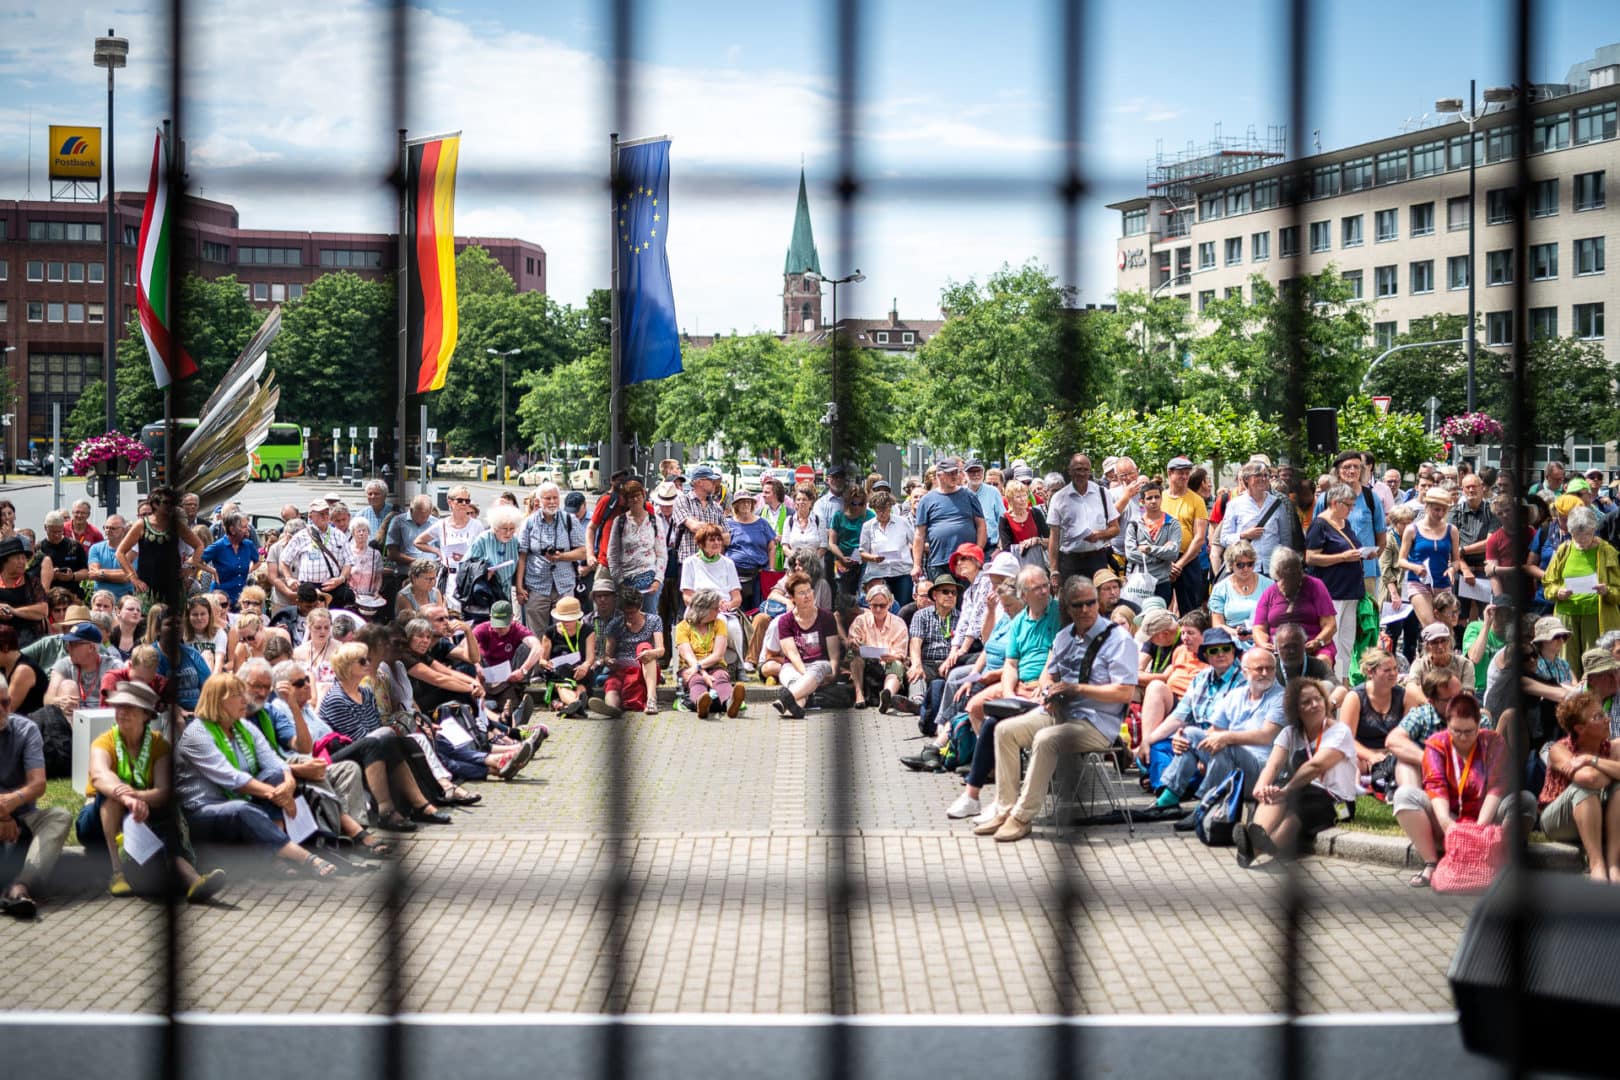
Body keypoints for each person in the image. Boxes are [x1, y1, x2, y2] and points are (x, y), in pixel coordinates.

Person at [974, 578, 1139, 843]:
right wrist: (1049, 691)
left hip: (1097, 722)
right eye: (1078, 605)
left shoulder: (1118, 640)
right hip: (1060, 713)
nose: (1085, 609)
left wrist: (1077, 690)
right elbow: (1047, 675)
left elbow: (1124, 693)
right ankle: (1004, 808)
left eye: (1091, 603)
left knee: (1046, 740)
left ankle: (1022, 817)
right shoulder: (1064, 637)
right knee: (1004, 730)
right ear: (1067, 608)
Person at [175, 673, 340, 878]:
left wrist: (287, 785)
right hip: (204, 812)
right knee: (243, 808)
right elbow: (232, 778)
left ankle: (275, 859)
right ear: (217, 700)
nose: (245, 700)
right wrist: (275, 794)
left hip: (241, 800)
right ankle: (306, 858)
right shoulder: (196, 733)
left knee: (274, 775)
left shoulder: (242, 726)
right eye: (237, 695)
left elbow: (275, 762)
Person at [1393, 691, 1536, 888]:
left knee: (1525, 801)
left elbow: (1496, 787)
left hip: (1485, 819)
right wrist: (1447, 823)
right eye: (1456, 731)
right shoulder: (1436, 744)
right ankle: (1431, 863)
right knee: (1405, 796)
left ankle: (1498, 861)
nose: (1462, 737)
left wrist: (1477, 832)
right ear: (1448, 724)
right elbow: (1436, 786)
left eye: (1468, 732)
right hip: (1448, 818)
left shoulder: (1494, 742)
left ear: (1479, 725)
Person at [1236, 677, 1360, 867]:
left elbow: (1315, 766)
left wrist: (1287, 790)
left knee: (1299, 806)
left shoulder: (1339, 731)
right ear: (1295, 709)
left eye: (1318, 699)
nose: (1315, 705)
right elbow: (1273, 764)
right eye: (1306, 702)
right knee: (1274, 792)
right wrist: (1261, 788)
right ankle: (1257, 835)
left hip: (1337, 802)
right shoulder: (1289, 733)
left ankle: (1256, 849)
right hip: (1301, 790)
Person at [1154, 644, 1285, 808]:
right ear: (1245, 672)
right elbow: (1215, 730)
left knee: (1226, 746)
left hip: (1262, 771)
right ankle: (1168, 799)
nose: (1265, 673)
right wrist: (1191, 743)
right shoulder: (1236, 695)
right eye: (1259, 669)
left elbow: (1266, 735)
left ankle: (1204, 806)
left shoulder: (1281, 697)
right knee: (1190, 734)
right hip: (1232, 762)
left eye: (1270, 669)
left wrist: (1226, 738)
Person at [1136, 625, 1244, 791]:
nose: (1221, 653)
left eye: (1225, 649)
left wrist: (1202, 751)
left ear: (1233, 651)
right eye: (1214, 651)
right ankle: (1166, 785)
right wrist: (1146, 741)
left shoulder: (1242, 682)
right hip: (1193, 741)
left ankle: (1166, 783)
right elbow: (1178, 717)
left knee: (1182, 758)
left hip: (1223, 746)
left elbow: (1235, 727)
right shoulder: (1201, 678)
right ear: (1206, 655)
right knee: (1155, 746)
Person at [0, 673, 70, 918]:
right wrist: (3, 818)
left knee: (60, 816)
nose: (2, 709)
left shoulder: (26, 729)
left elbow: (38, 784)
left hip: (24, 816)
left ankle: (20, 887)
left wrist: (10, 804)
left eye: (5, 702)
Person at [1539, 691, 1620, 881]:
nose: (1607, 720)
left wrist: (1589, 760)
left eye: (1604, 714)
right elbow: (1589, 779)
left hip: (1597, 815)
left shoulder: (1615, 747)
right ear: (1580, 728)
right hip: (1559, 821)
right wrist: (1613, 770)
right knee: (1583, 789)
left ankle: (1614, 864)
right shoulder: (1559, 749)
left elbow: (1593, 775)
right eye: (1598, 717)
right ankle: (1596, 864)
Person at [1542, 505, 1620, 680]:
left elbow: (1618, 590)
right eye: (1577, 535)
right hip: (1566, 616)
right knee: (1567, 666)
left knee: (1595, 665)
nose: (1582, 539)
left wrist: (1607, 591)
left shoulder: (1607, 551)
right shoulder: (1564, 550)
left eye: (1586, 534)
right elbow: (1548, 583)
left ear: (1594, 530)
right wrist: (1557, 592)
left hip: (1596, 617)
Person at [1307, 483, 1371, 680]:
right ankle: (1330, 682)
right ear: (1335, 503)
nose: (1351, 509)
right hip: (1331, 591)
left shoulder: (1345, 523)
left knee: (1346, 643)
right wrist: (1342, 557)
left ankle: (1344, 683)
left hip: (1351, 591)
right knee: (1332, 641)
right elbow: (1310, 558)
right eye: (1348, 505)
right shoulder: (1319, 525)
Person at [1314, 451, 1388, 600]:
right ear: (1338, 471)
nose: (1352, 471)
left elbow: (1381, 538)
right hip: (1333, 573)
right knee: (1335, 620)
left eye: (1356, 467)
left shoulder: (1371, 498)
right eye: (1347, 467)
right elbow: (1315, 535)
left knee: (1367, 620)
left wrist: (1372, 558)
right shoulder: (1325, 498)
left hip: (1366, 574)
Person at [516, 483, 588, 637]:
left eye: (555, 498)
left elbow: (583, 552)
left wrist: (561, 556)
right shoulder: (529, 523)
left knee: (565, 633)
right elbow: (522, 556)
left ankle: (565, 661)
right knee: (536, 634)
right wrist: (519, 586)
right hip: (536, 585)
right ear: (539, 501)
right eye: (547, 498)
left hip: (564, 585)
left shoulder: (569, 520)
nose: (552, 502)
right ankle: (539, 660)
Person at [1252, 547, 1338, 667]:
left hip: (1311, 644)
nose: (1293, 575)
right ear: (1277, 573)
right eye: (1287, 572)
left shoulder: (1315, 585)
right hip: (1278, 647)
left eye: (1296, 570)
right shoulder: (1269, 593)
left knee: (1321, 662)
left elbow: (1330, 624)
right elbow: (1258, 628)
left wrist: (1318, 641)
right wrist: (1263, 644)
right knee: (1255, 661)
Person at [772, 572, 842, 718]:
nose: (807, 596)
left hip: (820, 665)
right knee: (796, 682)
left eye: (809, 591)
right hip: (794, 666)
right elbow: (792, 654)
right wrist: (806, 676)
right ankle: (796, 707)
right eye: (801, 593)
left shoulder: (827, 617)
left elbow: (834, 653)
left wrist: (834, 672)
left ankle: (784, 699)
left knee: (820, 667)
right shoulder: (785, 621)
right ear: (792, 598)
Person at [912, 456, 986, 583]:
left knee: (966, 600)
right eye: (950, 473)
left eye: (956, 472)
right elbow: (919, 535)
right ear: (939, 476)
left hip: (965, 560)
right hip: (938, 561)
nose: (954, 476)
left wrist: (977, 552)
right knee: (943, 599)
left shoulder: (969, 495)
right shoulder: (926, 500)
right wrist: (916, 565)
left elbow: (981, 525)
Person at [594, 587, 666, 718]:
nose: (630, 616)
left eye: (633, 612)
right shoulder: (615, 624)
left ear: (640, 607)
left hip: (645, 668)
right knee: (612, 685)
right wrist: (609, 661)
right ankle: (612, 708)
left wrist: (650, 653)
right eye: (626, 613)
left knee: (644, 647)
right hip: (622, 669)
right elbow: (606, 655)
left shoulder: (654, 620)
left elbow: (661, 650)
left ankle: (651, 699)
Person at [1046, 453, 1118, 581]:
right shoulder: (1059, 498)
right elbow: (1054, 538)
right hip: (1070, 561)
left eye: (1085, 470)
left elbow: (1115, 529)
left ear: (1090, 472)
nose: (1082, 473)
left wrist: (1098, 535)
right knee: (1073, 599)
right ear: (1070, 472)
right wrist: (1054, 570)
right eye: (1078, 469)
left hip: (1097, 559)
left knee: (1099, 599)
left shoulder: (1102, 494)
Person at [1338, 647, 1409, 775]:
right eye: (1387, 670)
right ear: (1371, 672)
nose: (1393, 673)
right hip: (1362, 756)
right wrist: (1370, 756)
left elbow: (1407, 735)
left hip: (1393, 754)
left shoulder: (1402, 695)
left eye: (1395, 668)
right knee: (1347, 763)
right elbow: (1347, 739)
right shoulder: (1355, 697)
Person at [605, 480, 669, 614]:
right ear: (626, 500)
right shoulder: (620, 521)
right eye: (631, 497)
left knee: (650, 620)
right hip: (627, 580)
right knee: (627, 621)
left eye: (637, 495)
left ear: (643, 495)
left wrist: (658, 580)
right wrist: (620, 582)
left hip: (650, 579)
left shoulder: (654, 520)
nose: (635, 499)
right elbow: (612, 554)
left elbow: (662, 554)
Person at [674, 589, 738, 719]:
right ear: (704, 610)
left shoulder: (719, 624)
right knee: (696, 680)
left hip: (714, 665)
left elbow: (718, 655)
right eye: (715, 608)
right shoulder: (682, 627)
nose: (719, 611)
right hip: (690, 667)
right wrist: (703, 673)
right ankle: (701, 703)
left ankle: (730, 703)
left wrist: (701, 669)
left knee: (720, 676)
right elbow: (689, 657)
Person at [907, 573, 961, 723]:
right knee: (916, 672)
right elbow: (915, 642)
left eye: (954, 593)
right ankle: (917, 703)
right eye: (945, 592)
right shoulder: (921, 615)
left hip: (950, 663)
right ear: (935, 595)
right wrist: (916, 664)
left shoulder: (962, 617)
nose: (950, 595)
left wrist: (950, 661)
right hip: (928, 662)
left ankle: (943, 707)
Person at [1218, 461, 1288, 575]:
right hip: (1245, 568)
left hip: (1273, 568)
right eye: (1258, 475)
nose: (1263, 479)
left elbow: (1286, 539)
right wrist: (1244, 535)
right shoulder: (1235, 504)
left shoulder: (1277, 504)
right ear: (1246, 479)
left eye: (1266, 475)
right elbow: (1224, 539)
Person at [848, 582, 909, 710]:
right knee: (855, 657)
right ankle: (859, 695)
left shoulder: (899, 623)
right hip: (867, 663)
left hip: (889, 662)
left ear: (890, 604)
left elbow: (901, 654)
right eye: (874, 605)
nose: (878, 610)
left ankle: (887, 695)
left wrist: (892, 657)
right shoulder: (860, 620)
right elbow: (852, 644)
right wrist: (854, 643)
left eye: (882, 606)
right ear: (869, 604)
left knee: (897, 665)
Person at [1160, 456, 1210, 613]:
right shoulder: (1159, 498)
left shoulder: (1196, 500)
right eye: (1180, 473)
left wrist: (1179, 564)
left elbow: (1199, 537)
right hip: (1161, 560)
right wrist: (1167, 563)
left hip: (1188, 561)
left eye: (1187, 473)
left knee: (1191, 610)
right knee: (1159, 607)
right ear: (1169, 473)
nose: (1184, 477)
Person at [1122, 480, 1181, 606]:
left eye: (1157, 497)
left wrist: (1149, 549)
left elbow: (1173, 554)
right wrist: (1161, 555)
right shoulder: (1134, 525)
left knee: (1159, 619)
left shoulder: (1172, 523)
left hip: (1162, 582)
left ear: (1161, 498)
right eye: (1149, 498)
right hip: (1139, 582)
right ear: (1142, 501)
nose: (1154, 501)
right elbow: (1131, 554)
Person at [858, 490, 916, 607]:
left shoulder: (903, 523)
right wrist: (873, 558)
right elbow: (862, 551)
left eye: (885, 509)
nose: (882, 513)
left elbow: (915, 543)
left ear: (890, 507)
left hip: (902, 572)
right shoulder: (868, 526)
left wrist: (916, 565)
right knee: (881, 606)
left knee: (903, 606)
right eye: (878, 510)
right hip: (879, 573)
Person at [1208, 539, 1272, 644]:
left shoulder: (1269, 585)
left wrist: (1257, 633)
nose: (1246, 568)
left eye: (1250, 564)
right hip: (1233, 639)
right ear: (1231, 565)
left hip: (1263, 638)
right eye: (1240, 565)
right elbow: (1217, 625)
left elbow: (1276, 618)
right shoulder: (1220, 588)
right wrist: (1235, 633)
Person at [726, 489, 778, 610]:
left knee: (757, 609)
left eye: (748, 502)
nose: (746, 504)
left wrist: (771, 569)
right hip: (735, 574)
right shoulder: (728, 523)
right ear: (736, 505)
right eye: (742, 502)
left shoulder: (762, 523)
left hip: (758, 574)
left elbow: (771, 547)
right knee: (736, 610)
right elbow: (722, 548)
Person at [1405, 622, 1477, 701]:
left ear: (1450, 642)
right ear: (1427, 646)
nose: (1440, 646)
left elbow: (1467, 693)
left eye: (1443, 641)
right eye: (1434, 642)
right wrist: (1429, 705)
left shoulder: (1464, 664)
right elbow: (1411, 686)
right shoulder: (1420, 664)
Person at [201, 512, 261, 608]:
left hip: (242, 598)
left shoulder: (248, 545)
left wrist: (249, 570)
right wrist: (212, 571)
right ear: (232, 530)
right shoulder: (218, 546)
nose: (248, 529)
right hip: (221, 600)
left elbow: (257, 561)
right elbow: (194, 560)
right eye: (244, 527)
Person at [0, 537, 47, 649]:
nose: (22, 562)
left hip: (28, 639)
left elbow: (43, 610)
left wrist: (14, 611)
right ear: (5, 560)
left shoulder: (32, 582)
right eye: (17, 558)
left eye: (23, 558)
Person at [85, 515, 133, 602]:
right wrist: (119, 573)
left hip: (124, 601)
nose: (108, 531)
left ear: (123, 530)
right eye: (106, 527)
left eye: (113, 528)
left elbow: (126, 577)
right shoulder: (95, 548)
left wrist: (101, 573)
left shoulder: (130, 549)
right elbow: (93, 574)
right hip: (101, 600)